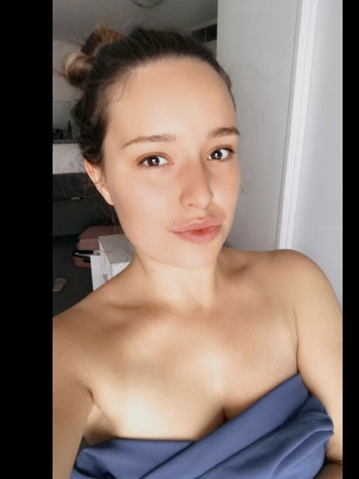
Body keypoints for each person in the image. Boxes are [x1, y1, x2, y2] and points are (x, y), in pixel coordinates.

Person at [53, 25, 342, 479]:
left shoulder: (296, 284)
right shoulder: (69, 352)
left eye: (219, 151)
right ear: (100, 177)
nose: (202, 193)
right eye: (154, 159)